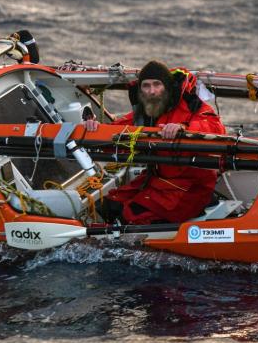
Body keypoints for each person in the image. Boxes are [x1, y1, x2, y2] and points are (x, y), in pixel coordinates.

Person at [84, 60, 225, 224]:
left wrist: (183, 128)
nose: (152, 91)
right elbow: (115, 135)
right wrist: (94, 128)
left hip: (190, 188)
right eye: (146, 86)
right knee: (108, 206)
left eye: (157, 84)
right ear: (140, 90)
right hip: (155, 182)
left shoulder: (192, 106)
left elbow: (216, 130)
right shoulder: (145, 111)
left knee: (131, 216)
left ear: (167, 87)